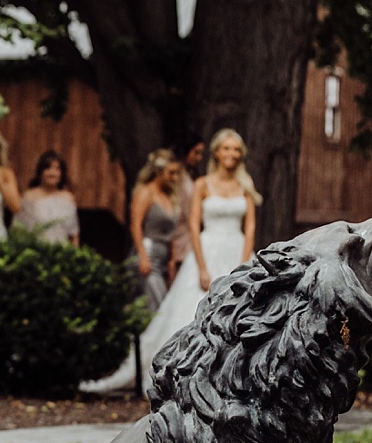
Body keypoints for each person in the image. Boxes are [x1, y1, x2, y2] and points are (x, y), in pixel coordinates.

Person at [81, 128, 258, 394]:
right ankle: (173, 376)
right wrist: (201, 266)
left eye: (236, 149)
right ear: (217, 152)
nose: (232, 154)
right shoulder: (202, 184)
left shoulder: (245, 186)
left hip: (237, 251)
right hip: (208, 251)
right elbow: (194, 225)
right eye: (227, 148)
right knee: (188, 315)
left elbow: (251, 226)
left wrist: (245, 263)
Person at [126, 149, 183, 310]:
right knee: (157, 306)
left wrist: (172, 260)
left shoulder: (170, 196)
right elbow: (135, 224)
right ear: (158, 171)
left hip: (163, 259)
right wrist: (143, 256)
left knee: (158, 304)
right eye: (171, 173)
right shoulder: (145, 192)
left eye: (177, 173)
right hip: (148, 254)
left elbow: (170, 233)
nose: (175, 178)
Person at [12, 149, 80, 246]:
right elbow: (18, 231)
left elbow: (74, 235)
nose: (52, 173)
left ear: (62, 174)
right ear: (40, 172)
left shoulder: (68, 198)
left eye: (57, 169)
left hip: (62, 254)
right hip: (35, 253)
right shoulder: (29, 196)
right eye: (48, 168)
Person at [171, 138, 207, 282]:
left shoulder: (194, 175)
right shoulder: (177, 177)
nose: (199, 158)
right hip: (180, 232)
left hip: (194, 232)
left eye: (201, 154)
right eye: (195, 152)